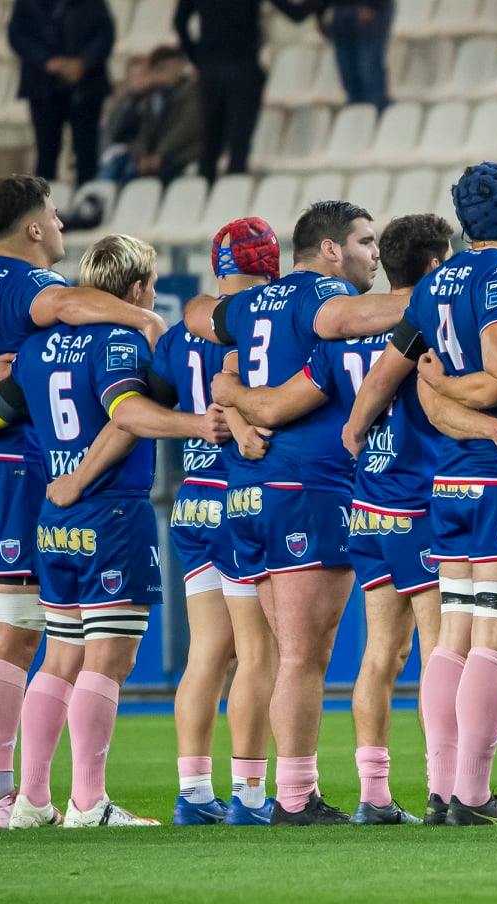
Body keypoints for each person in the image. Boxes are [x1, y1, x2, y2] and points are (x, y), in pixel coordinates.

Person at [0, 175, 166, 829]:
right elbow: (70, 306)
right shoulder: (33, 288)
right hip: (11, 476)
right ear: (35, 228)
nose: (63, 226)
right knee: (11, 643)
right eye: (56, 217)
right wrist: (142, 317)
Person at [0, 234, 230, 827]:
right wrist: (196, 424)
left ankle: (31, 801)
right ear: (135, 289)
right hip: (111, 514)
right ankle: (89, 802)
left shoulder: (38, 350)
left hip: (52, 524)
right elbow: (127, 413)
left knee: (61, 657)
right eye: (147, 285)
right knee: (106, 661)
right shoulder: (121, 341)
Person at [341, 163, 497, 826]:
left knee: (454, 639)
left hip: (447, 481)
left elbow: (395, 370)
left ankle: (442, 792)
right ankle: (471, 795)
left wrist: (357, 429)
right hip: (496, 480)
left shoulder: (437, 282)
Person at [189, 199, 410, 824]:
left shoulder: (254, 304)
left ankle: (269, 793)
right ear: (332, 249)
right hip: (306, 489)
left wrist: (233, 400)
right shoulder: (317, 298)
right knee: (300, 656)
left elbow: (201, 316)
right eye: (365, 242)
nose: (373, 253)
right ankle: (293, 797)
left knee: (273, 653)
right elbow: (344, 321)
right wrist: (437, 293)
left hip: (248, 492)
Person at [149, 217, 283, 825]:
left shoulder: (179, 335)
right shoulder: (266, 321)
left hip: (192, 497)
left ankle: (194, 793)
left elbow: (155, 394)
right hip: (243, 494)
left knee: (208, 650)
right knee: (260, 651)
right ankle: (251, 796)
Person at [176, 0, 313, 181]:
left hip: (211, 70)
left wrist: (198, 58)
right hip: (243, 68)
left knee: (211, 141)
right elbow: (295, 14)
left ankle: (205, 192)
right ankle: (233, 193)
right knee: (239, 141)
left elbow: (180, 22)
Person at [7, 0, 115, 184]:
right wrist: (47, 61)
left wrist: (84, 62)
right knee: (46, 152)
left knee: (86, 152)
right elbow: (18, 35)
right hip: (43, 87)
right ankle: (45, 206)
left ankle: (86, 203)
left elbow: (105, 32)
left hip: (86, 85)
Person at [120, 46, 203, 184]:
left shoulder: (191, 93)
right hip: (156, 157)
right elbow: (144, 131)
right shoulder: (154, 97)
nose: (164, 74)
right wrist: (143, 155)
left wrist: (160, 154)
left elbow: (185, 129)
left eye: (167, 68)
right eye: (159, 69)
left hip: (183, 154)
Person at [320, 0, 392, 111]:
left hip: (369, 10)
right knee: (349, 80)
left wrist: (372, 5)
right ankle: (359, 123)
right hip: (340, 14)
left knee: (369, 75)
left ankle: (378, 119)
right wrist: (320, 14)